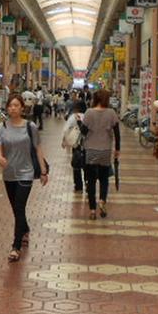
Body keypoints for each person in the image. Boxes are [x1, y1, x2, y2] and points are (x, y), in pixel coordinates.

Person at [0, 93, 49, 262]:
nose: (13, 108)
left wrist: (43, 171)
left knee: (19, 207)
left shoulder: (30, 127)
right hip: (9, 173)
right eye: (10, 105)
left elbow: (38, 149)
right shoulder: (1, 126)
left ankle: (15, 247)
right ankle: (25, 229)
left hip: (26, 172)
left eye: (16, 105)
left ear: (22, 108)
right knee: (16, 208)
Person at [82, 89, 120, 219]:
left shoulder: (89, 112)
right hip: (105, 151)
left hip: (91, 150)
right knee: (104, 179)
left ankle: (92, 210)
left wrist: (80, 122)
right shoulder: (111, 113)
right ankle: (102, 200)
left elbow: (83, 132)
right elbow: (117, 133)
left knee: (91, 181)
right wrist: (117, 149)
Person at [62, 100, 88, 193]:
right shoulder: (88, 116)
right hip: (87, 144)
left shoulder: (73, 117)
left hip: (76, 144)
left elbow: (66, 130)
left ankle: (78, 186)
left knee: (76, 165)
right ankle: (88, 183)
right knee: (86, 165)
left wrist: (64, 141)